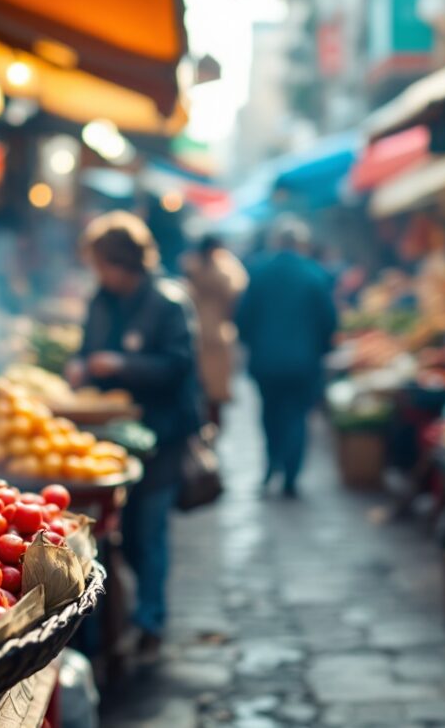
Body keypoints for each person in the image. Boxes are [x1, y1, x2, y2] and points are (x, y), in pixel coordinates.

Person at [66, 211, 200, 659]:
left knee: (149, 530)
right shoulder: (101, 300)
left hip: (160, 436)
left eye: (102, 264)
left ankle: (150, 621)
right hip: (109, 437)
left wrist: (121, 365)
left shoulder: (167, 301)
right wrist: (83, 365)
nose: (98, 273)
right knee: (116, 537)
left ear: (122, 261)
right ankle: (112, 622)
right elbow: (86, 348)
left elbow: (179, 365)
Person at [237, 216, 337, 497]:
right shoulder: (315, 274)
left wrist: (253, 343)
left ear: (277, 241)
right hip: (303, 363)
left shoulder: (259, 272)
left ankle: (273, 462)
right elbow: (328, 320)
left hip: (266, 362)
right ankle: (290, 472)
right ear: (301, 243)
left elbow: (243, 318)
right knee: (296, 416)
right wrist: (321, 348)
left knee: (270, 413)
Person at [180, 235, 247, 427]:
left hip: (211, 338)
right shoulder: (220, 270)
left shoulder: (200, 268)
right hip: (204, 337)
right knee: (201, 391)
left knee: (212, 394)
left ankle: (208, 431)